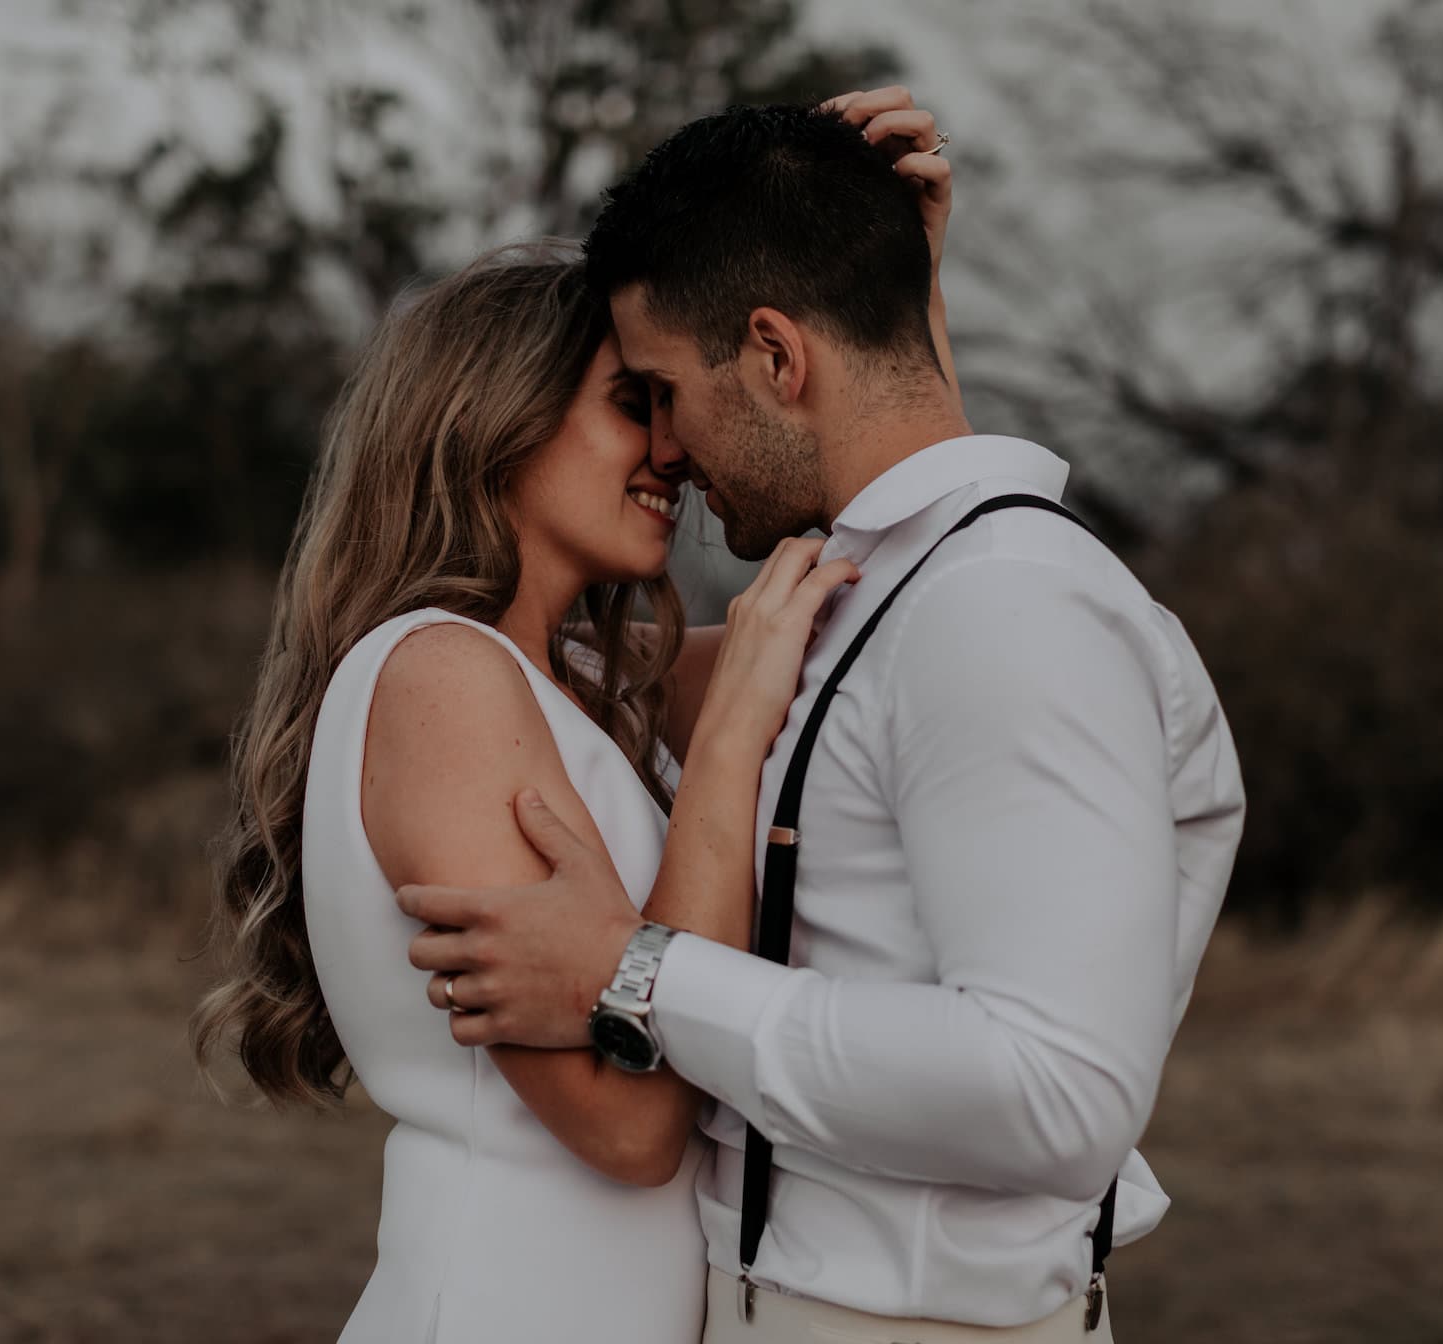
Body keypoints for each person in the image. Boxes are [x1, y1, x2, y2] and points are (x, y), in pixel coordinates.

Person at [394, 100, 1248, 1343]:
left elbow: (1058, 1088)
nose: (669, 449)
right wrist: (887, 284)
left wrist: (637, 976)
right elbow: (550, 663)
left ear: (778, 357)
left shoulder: (1006, 608)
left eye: (666, 394)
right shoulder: (867, 597)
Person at [191, 91, 957, 1344]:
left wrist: (890, 304)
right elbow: (631, 1122)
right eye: (630, 401)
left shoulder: (585, 689)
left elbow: (895, 598)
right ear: (493, 422)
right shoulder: (437, 677)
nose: (672, 448)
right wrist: (729, 745)